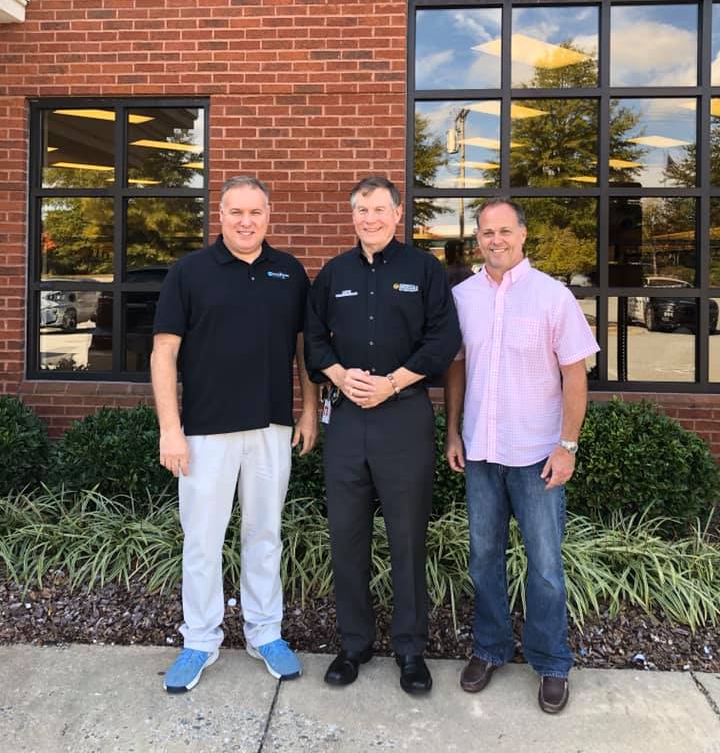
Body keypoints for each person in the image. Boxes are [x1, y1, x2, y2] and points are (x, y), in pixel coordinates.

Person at [151, 176, 317, 693]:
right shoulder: (189, 272)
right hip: (205, 432)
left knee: (265, 535)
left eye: (255, 212)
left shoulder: (289, 271)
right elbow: (163, 353)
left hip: (271, 427)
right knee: (202, 540)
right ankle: (200, 641)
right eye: (236, 212)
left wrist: (310, 411)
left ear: (269, 215)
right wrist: (170, 429)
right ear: (219, 215)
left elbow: (304, 350)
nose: (246, 222)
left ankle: (265, 633)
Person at [304, 176, 461, 695]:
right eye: (361, 210)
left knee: (407, 536)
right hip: (348, 421)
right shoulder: (334, 274)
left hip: (404, 416)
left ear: (398, 214)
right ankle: (354, 644)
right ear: (352, 217)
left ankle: (410, 650)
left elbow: (443, 340)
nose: (369, 218)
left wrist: (392, 382)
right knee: (347, 534)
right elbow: (313, 341)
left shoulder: (424, 270)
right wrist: (340, 375)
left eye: (378, 209)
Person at [444, 198, 599, 714]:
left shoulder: (553, 296)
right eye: (487, 232)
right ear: (478, 240)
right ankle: (490, 648)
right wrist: (453, 432)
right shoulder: (462, 297)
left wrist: (567, 445)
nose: (496, 240)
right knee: (483, 559)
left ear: (523, 235)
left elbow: (575, 374)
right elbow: (457, 367)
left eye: (505, 231)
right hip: (482, 454)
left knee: (546, 565)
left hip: (537, 457)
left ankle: (551, 662)